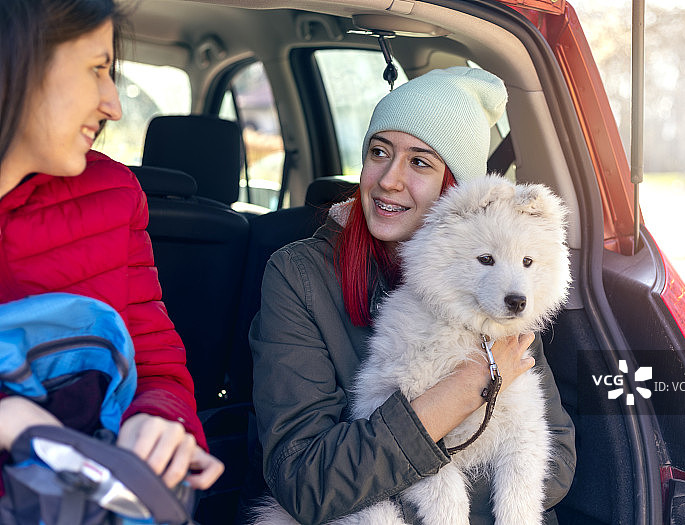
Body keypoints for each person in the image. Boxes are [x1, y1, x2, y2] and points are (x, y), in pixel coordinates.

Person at [249, 67, 576, 524]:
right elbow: (307, 482)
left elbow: (555, 460)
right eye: (379, 153)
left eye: (420, 162)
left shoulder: (499, 292)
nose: (388, 180)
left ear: (458, 192)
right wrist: (461, 391)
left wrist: (445, 490)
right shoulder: (299, 276)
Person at [0, 0, 223, 495]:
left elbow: (156, 365)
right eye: (97, 69)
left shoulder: (113, 195)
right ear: (16, 61)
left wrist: (161, 420)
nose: (114, 105)